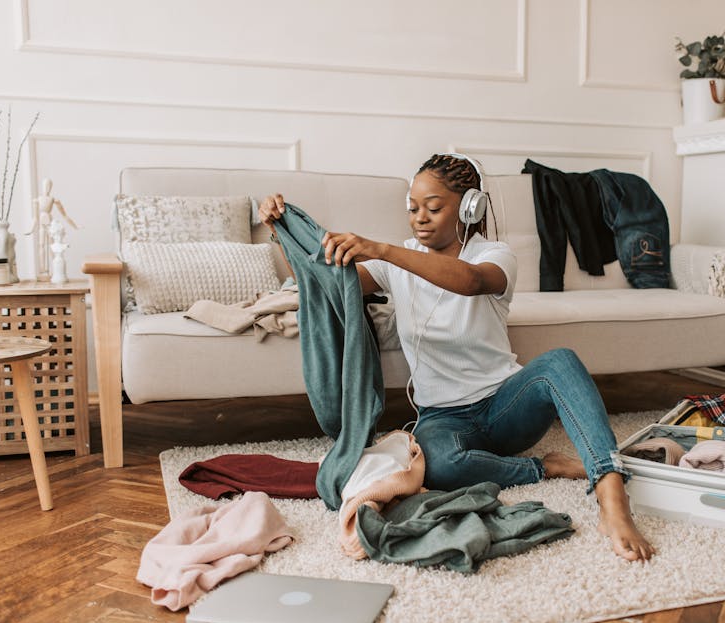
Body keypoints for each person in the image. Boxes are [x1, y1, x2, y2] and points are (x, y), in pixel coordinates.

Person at [258, 154, 655, 561]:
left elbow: (471, 281)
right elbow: (329, 283)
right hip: (442, 418)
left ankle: (611, 494)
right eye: (412, 208)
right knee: (439, 466)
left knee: (560, 362)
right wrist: (283, 232)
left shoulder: (495, 255)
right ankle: (544, 468)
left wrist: (382, 250)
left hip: (505, 407)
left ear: (470, 207)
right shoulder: (396, 260)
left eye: (433, 207)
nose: (420, 218)